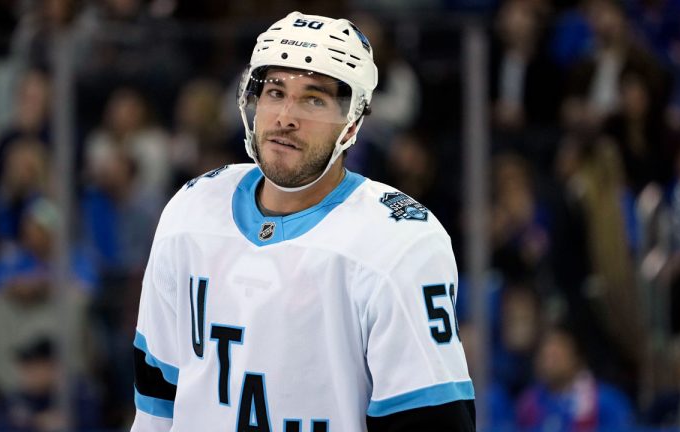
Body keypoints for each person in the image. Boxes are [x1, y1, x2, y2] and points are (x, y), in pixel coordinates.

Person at [131, 11, 475, 432]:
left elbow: (431, 422)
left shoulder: (400, 241)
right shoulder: (190, 211)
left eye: (314, 99)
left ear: (353, 121)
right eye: (275, 92)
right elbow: (155, 403)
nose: (286, 116)